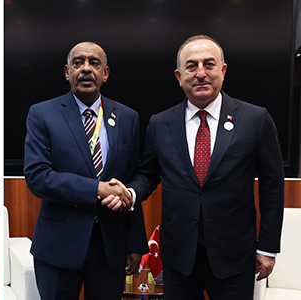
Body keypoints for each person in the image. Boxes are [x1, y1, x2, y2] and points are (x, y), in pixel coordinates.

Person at [121, 35, 285, 299]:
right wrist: (130, 194)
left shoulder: (256, 119)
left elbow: (273, 187)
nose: (201, 73)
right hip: (179, 258)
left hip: (234, 256)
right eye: (191, 66)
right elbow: (148, 174)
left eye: (209, 64)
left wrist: (267, 248)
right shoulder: (160, 123)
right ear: (178, 75)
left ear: (223, 70)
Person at [23, 41, 149, 300]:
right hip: (58, 248)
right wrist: (96, 189)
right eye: (78, 62)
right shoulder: (42, 113)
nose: (86, 69)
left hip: (110, 248)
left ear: (106, 73)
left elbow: (132, 179)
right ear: (67, 72)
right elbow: (37, 176)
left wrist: (135, 243)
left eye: (94, 63)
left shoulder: (127, 117)